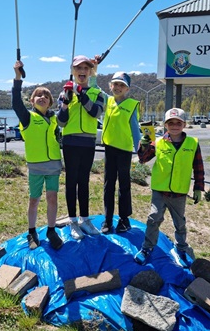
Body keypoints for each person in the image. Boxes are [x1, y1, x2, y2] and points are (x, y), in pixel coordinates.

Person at [134, 107, 205, 267]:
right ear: (165, 125)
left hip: (179, 193)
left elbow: (198, 166)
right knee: (154, 219)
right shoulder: (158, 142)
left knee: (180, 223)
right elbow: (143, 159)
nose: (174, 126)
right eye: (170, 123)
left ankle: (180, 248)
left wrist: (198, 187)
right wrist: (143, 146)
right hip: (160, 191)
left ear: (184, 124)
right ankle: (147, 248)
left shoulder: (192, 144)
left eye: (178, 122)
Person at [12, 60, 63, 250]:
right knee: (34, 200)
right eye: (37, 95)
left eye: (46, 96)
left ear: (50, 102)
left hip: (54, 166)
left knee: (52, 198)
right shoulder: (27, 118)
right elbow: (16, 103)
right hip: (35, 166)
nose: (42, 97)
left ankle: (51, 230)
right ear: (32, 101)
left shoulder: (55, 119)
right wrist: (18, 78)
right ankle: (31, 231)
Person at [57, 55, 105, 240]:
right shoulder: (64, 93)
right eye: (78, 69)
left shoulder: (96, 93)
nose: (82, 71)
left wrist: (80, 93)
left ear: (90, 71)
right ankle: (73, 221)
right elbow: (61, 122)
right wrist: (66, 103)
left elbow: (95, 112)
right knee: (71, 182)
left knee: (84, 181)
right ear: (73, 72)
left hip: (87, 143)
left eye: (86, 68)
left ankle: (85, 219)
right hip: (70, 142)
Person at [101, 72, 141, 234]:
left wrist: (141, 150)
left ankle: (124, 219)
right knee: (108, 185)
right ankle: (108, 220)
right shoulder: (108, 101)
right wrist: (94, 71)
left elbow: (135, 130)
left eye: (121, 85)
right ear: (110, 86)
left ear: (127, 89)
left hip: (124, 151)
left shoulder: (131, 105)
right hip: (109, 149)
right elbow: (95, 88)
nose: (118, 87)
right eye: (115, 84)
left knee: (124, 185)